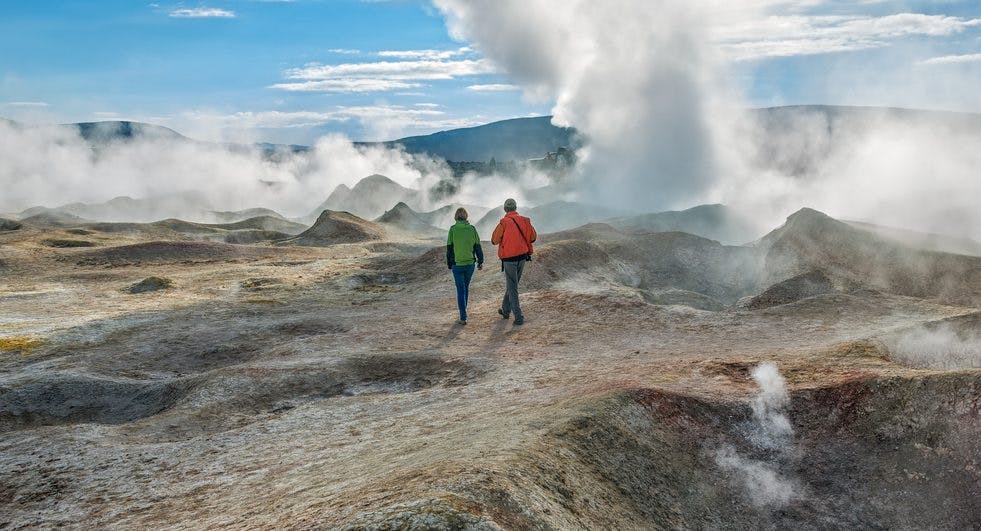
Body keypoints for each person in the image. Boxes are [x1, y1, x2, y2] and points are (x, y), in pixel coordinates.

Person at [491, 198, 537, 325]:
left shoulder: (503, 223)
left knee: (512, 286)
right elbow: (533, 237)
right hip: (522, 257)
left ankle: (518, 316)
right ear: (515, 208)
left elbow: (494, 240)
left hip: (509, 259)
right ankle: (506, 310)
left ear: (505, 209)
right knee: (512, 285)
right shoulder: (525, 221)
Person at [446, 207, 483, 325]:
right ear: (466, 216)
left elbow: (449, 249)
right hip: (470, 264)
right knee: (465, 287)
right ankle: (464, 313)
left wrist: (449, 264)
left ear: (456, 217)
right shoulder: (472, 229)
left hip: (457, 265)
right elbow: (478, 246)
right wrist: (480, 261)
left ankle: (463, 316)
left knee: (460, 289)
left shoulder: (452, 230)